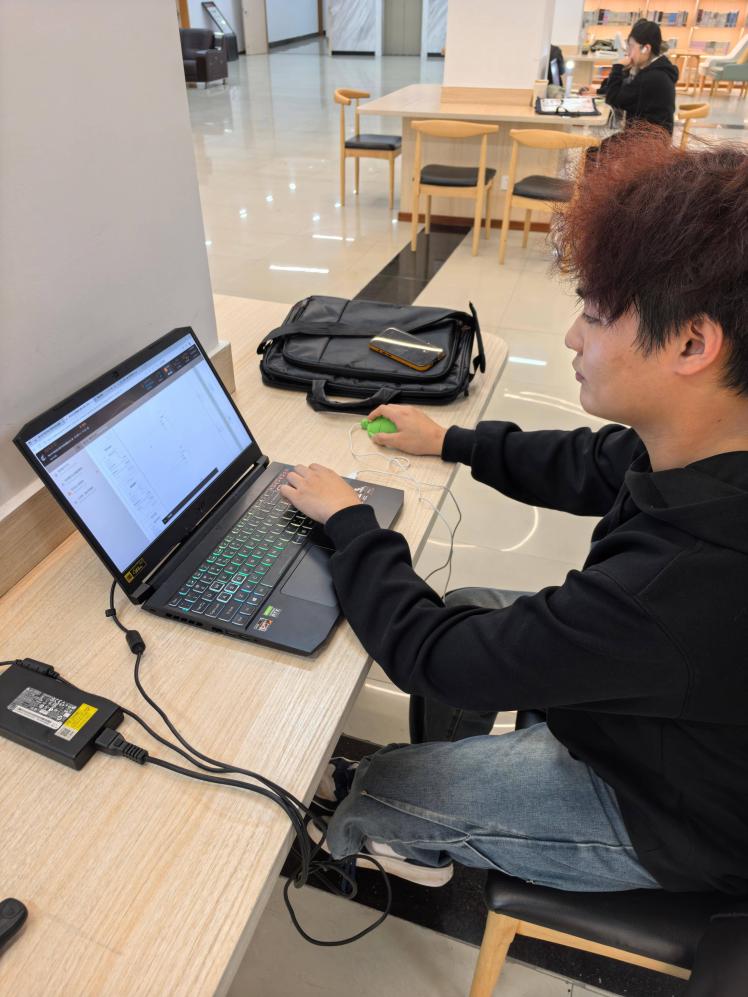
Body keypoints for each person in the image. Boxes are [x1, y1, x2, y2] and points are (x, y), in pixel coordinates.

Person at [280, 128, 748, 895]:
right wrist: (451, 439)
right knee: (468, 602)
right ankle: (453, 775)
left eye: (596, 314)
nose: (572, 335)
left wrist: (351, 522)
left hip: (670, 810)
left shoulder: (684, 581)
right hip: (671, 718)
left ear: (693, 343)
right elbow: (591, 461)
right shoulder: (710, 439)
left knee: (381, 785)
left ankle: (389, 833)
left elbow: (434, 656)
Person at [583, 19, 677, 133]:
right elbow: (621, 91)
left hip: (649, 140)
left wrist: (617, 67)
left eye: (631, 47)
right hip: (646, 135)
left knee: (593, 143)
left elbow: (613, 99)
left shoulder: (652, 77)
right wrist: (624, 70)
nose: (628, 53)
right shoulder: (655, 69)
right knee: (597, 141)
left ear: (646, 49)